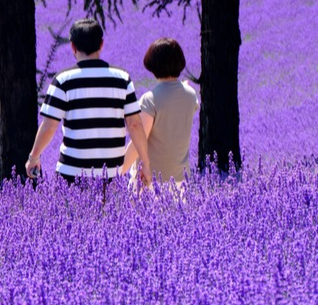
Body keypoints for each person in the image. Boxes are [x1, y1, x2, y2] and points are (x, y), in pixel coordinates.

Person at [25, 17, 153, 187]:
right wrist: (145, 162)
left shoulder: (63, 81)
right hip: (112, 172)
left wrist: (34, 157)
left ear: (72, 46)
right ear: (101, 44)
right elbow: (135, 125)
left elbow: (49, 127)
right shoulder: (122, 79)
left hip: (72, 173)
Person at [125, 37, 200, 184]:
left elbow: (138, 141)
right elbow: (181, 104)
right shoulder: (191, 95)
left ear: (153, 66)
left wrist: (119, 170)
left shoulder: (150, 100)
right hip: (180, 179)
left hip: (150, 180)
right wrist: (184, 86)